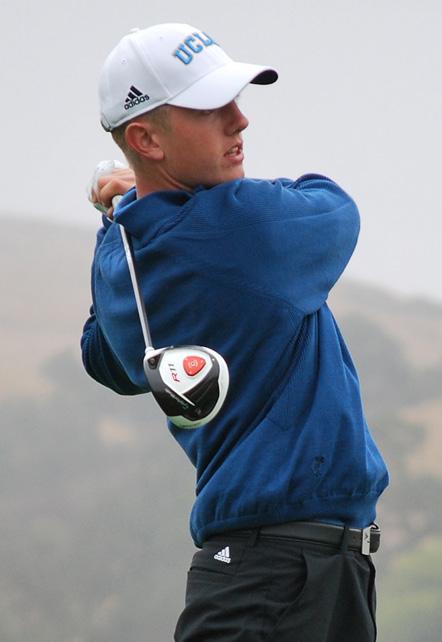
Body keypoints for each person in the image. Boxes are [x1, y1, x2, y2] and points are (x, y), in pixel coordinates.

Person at [81, 22, 389, 642]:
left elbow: (106, 359)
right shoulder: (243, 228)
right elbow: (336, 208)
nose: (240, 121)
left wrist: (122, 214)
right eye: (208, 108)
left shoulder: (125, 258)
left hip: (288, 572)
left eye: (234, 101)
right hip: (277, 577)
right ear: (146, 139)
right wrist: (138, 205)